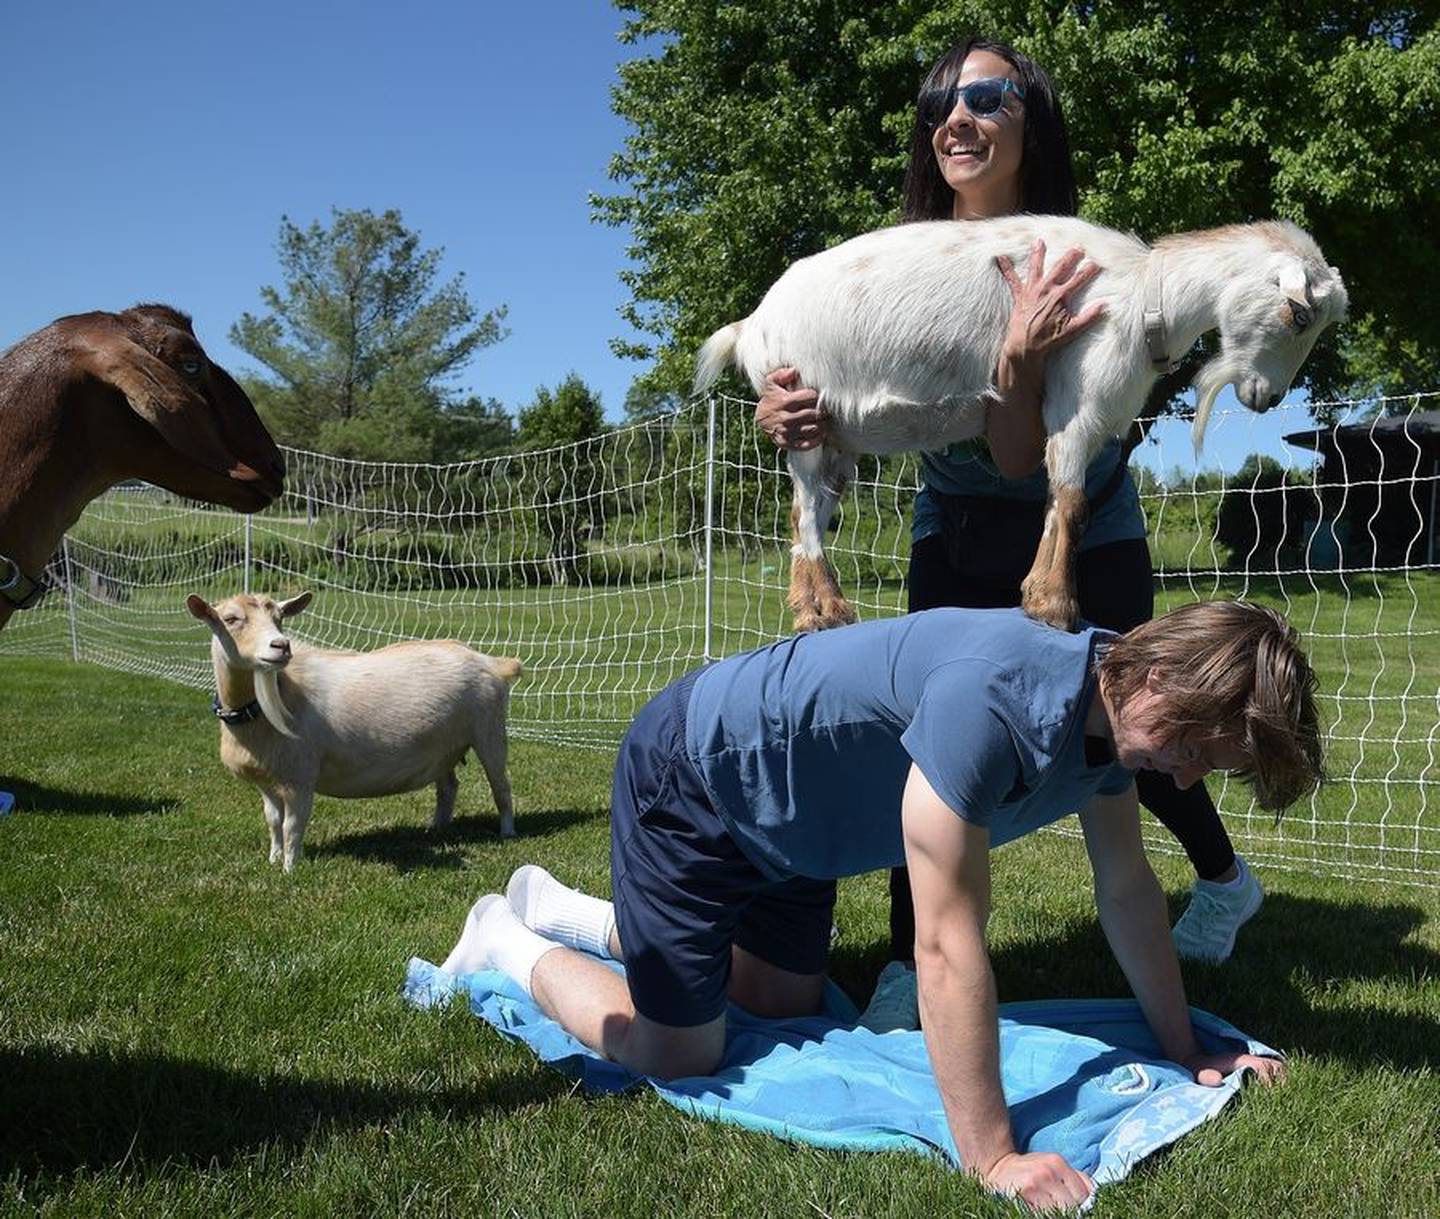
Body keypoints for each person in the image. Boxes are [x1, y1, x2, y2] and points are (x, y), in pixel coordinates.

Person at [445, 600, 1321, 1213]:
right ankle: (503, 935)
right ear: (1158, 673)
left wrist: (1184, 1048)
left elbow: (1128, 890)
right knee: (679, 1052)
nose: (1188, 776)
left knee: (776, 1009)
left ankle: (572, 910)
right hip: (700, 780)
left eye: (1212, 764)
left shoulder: (1112, 726)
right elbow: (943, 942)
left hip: (799, 832)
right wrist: (993, 1154)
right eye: (1194, 744)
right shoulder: (997, 700)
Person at [753, 37, 1263, 1031]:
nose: (959, 116)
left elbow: (1025, 454)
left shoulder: (1084, 262)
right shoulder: (905, 262)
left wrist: (1018, 364)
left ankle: (1223, 879)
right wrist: (790, 407)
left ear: (1035, 120)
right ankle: (910, 962)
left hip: (1082, 535)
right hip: (954, 526)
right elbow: (847, 394)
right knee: (923, 748)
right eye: (940, 102)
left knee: (1133, 738)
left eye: (989, 97)